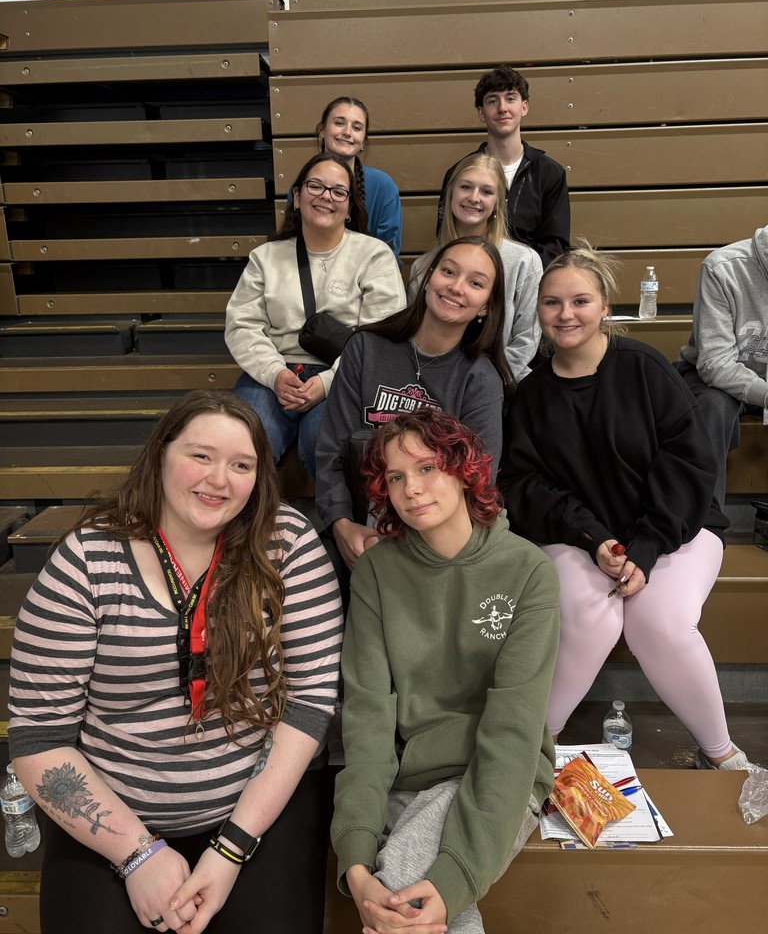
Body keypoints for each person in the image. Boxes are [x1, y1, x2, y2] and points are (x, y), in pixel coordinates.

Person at [8, 390, 344, 934]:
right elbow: (38, 739)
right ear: (160, 454)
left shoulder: (287, 543)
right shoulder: (86, 560)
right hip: (113, 817)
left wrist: (231, 848)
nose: (219, 479)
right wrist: (137, 854)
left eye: (241, 465)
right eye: (200, 456)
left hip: (252, 812)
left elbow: (309, 703)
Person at [499, 247, 750, 771]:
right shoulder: (528, 397)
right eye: (552, 303)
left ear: (604, 306)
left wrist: (648, 543)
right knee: (590, 618)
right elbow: (525, 486)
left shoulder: (643, 368)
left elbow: (689, 460)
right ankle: (527, 752)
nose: (566, 314)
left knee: (659, 621)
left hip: (675, 531)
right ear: (537, 311)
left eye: (580, 300)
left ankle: (721, 753)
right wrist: (594, 539)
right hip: (581, 539)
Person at [331, 409, 559, 934]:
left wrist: (453, 880)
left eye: (427, 468)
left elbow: (511, 732)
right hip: (404, 778)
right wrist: (356, 857)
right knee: (400, 896)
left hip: (497, 774)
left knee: (405, 891)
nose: (411, 488)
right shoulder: (377, 572)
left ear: (463, 470)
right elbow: (367, 717)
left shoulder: (528, 572)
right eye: (395, 477)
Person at [315, 235, 514, 571]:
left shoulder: (481, 379)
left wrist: (413, 541)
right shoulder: (364, 349)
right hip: (360, 525)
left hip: (435, 533)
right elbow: (331, 451)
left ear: (485, 307)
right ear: (428, 278)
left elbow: (479, 481)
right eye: (448, 272)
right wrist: (341, 523)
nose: (456, 287)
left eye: (475, 283)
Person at [226, 151, 405, 480]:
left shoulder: (374, 255)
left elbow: (382, 335)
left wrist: (326, 383)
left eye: (338, 191)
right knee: (242, 444)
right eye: (315, 186)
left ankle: (334, 528)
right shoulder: (265, 258)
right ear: (297, 197)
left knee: (327, 446)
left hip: (342, 374)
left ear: (350, 207)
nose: (326, 196)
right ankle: (245, 528)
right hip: (271, 375)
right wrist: (274, 374)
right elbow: (242, 326)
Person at [410, 151, 542, 383]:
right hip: (436, 387)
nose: (474, 197)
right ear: (450, 193)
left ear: (498, 202)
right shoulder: (423, 267)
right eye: (465, 187)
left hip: (506, 387)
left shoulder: (524, 261)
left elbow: (526, 338)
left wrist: (483, 385)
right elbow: (415, 336)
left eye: (486, 191)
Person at [436, 65, 570, 266]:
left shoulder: (549, 173)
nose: (502, 108)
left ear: (524, 107)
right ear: (481, 113)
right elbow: (446, 233)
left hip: (530, 286)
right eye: (492, 101)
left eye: (510, 98)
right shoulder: (459, 173)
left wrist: (520, 276)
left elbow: (555, 246)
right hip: (471, 280)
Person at [676, 224, 768, 513]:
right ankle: (704, 522)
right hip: (717, 380)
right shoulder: (723, 267)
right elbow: (715, 363)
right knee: (711, 408)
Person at [313, 96, 402, 255]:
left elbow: (388, 255)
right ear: (322, 130)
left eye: (356, 127)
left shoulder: (383, 186)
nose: (347, 132)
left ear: (363, 142)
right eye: (339, 123)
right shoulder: (305, 183)